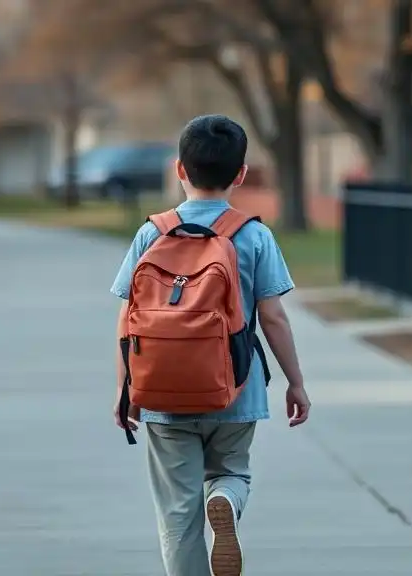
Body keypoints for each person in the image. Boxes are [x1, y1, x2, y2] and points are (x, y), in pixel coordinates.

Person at [110, 114, 310, 576]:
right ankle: (224, 497)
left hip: (161, 393)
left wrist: (125, 391)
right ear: (240, 175)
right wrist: (295, 383)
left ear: (180, 169)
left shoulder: (151, 233)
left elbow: (128, 319)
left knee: (178, 517)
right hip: (235, 390)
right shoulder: (254, 235)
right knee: (232, 471)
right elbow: (274, 317)